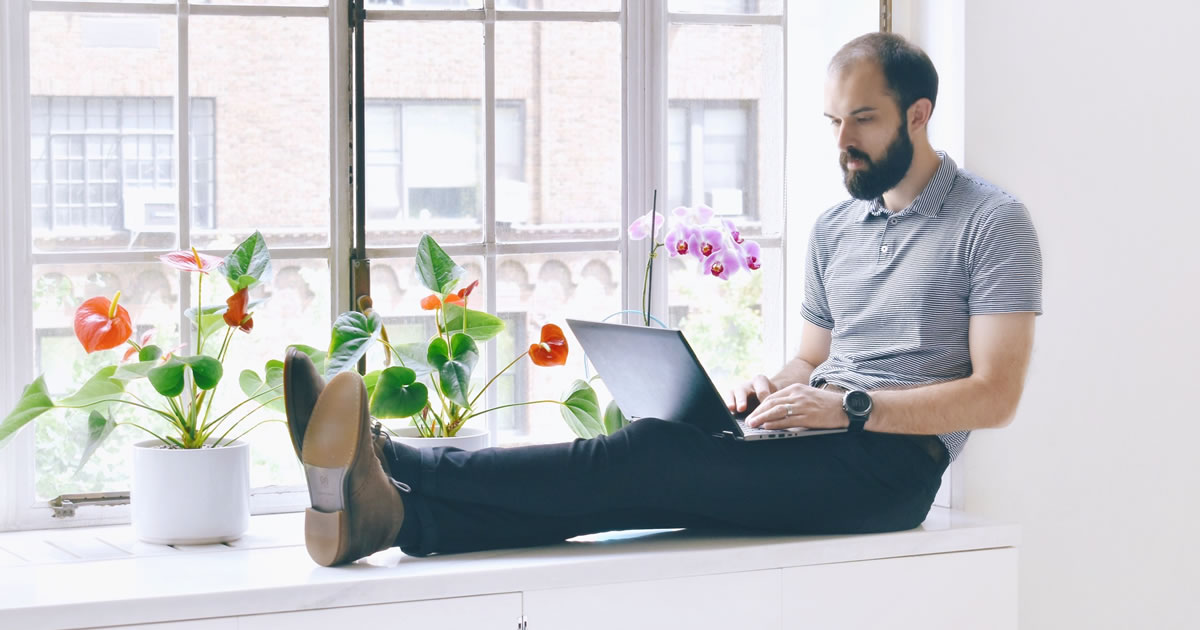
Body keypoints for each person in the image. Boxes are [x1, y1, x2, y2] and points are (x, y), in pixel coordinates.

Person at [284, 31, 1043, 567]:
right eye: (833, 120)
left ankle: (392, 459)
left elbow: (996, 395)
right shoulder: (837, 227)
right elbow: (813, 358)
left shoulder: (989, 220)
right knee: (624, 494)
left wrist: (846, 408)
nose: (843, 138)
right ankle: (393, 518)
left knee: (647, 455)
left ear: (919, 114)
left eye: (864, 119)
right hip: (813, 440)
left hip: (889, 471)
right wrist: (771, 389)